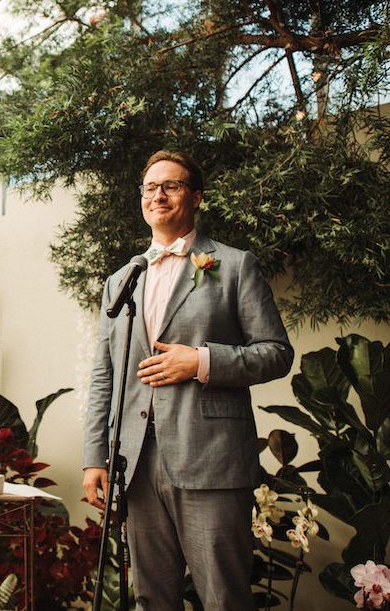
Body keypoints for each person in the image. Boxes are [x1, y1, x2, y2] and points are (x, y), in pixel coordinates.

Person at [82, 150, 294, 610]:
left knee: (224, 596)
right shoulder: (121, 279)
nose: (158, 195)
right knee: (152, 597)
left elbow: (276, 354)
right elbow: (105, 373)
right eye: (150, 187)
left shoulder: (235, 265)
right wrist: (95, 456)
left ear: (196, 197)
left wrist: (200, 361)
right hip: (135, 462)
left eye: (171, 185)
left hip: (211, 458)